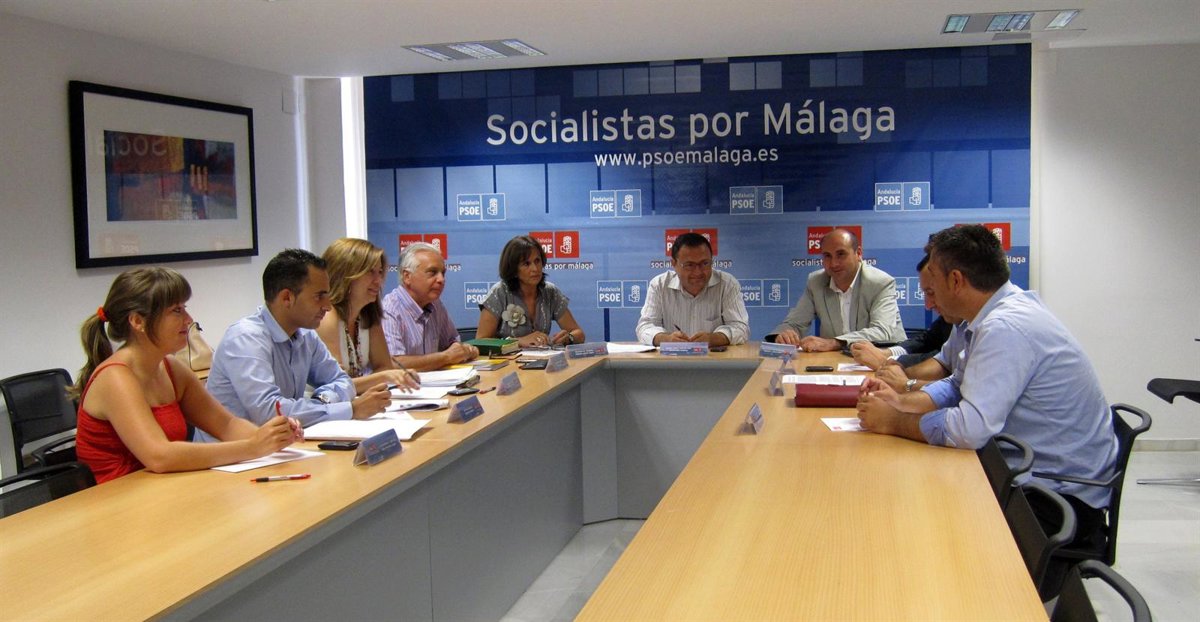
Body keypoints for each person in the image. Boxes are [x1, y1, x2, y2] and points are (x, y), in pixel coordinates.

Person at [856, 224, 1118, 552]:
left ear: (956, 280)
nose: (929, 300)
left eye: (933, 279)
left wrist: (893, 422)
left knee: (923, 522)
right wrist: (901, 401)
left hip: (1058, 500)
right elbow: (956, 384)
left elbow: (971, 430)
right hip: (1032, 473)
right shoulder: (989, 316)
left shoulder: (1004, 327)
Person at [72, 268, 302, 483]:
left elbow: (226, 424)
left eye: (184, 308)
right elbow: (160, 456)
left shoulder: (171, 369)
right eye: (176, 311)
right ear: (138, 321)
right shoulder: (115, 378)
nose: (189, 319)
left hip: (160, 490)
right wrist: (253, 447)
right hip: (118, 501)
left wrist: (272, 438)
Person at [200, 249, 391, 443]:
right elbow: (269, 412)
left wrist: (322, 401)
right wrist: (350, 409)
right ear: (287, 298)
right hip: (230, 455)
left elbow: (343, 381)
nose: (327, 305)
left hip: (280, 447)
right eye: (319, 296)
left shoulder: (306, 335)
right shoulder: (246, 339)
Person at [770, 228, 904, 352]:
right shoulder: (816, 282)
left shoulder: (880, 283)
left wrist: (834, 343)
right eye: (827, 256)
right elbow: (795, 323)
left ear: (858, 253)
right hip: (837, 360)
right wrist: (784, 335)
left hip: (885, 358)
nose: (834, 263)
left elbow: (882, 332)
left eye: (841, 254)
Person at [317, 238, 421, 394]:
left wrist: (387, 375)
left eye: (380, 272)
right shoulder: (326, 317)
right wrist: (384, 376)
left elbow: (384, 366)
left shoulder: (367, 313)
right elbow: (337, 385)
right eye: (370, 272)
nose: (378, 281)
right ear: (345, 274)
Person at [636, 232, 749, 347]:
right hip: (671, 357)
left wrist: (713, 339)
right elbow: (645, 327)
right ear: (674, 264)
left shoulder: (728, 284)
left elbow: (740, 328)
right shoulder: (659, 285)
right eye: (689, 265)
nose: (698, 272)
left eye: (705, 263)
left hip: (714, 357)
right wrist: (667, 339)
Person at [382, 242, 479, 371]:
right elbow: (393, 364)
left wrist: (463, 350)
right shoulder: (388, 310)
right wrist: (446, 357)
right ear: (407, 276)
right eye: (432, 273)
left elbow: (452, 343)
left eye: (443, 273)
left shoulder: (436, 305)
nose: (441, 279)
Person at [476, 235, 585, 348]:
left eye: (537, 261)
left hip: (543, 358)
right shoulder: (499, 293)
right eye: (526, 264)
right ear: (513, 269)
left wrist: (569, 338)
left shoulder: (550, 292)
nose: (535, 269)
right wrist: (517, 341)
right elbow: (480, 341)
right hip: (507, 359)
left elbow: (579, 334)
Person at [851, 256, 953, 371]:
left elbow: (945, 361)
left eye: (931, 293)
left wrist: (886, 362)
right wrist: (887, 353)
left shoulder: (965, 323)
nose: (927, 305)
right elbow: (927, 340)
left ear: (955, 281)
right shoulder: (951, 319)